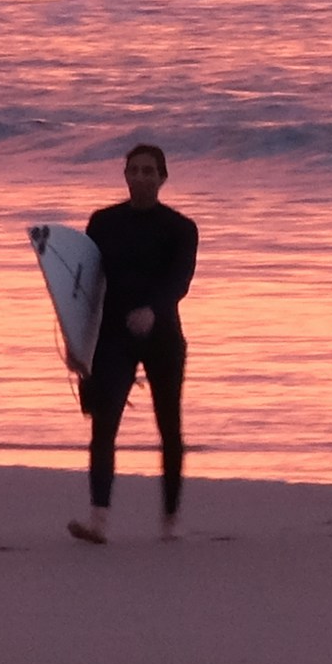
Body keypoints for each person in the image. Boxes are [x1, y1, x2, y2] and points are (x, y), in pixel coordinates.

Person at [67, 140, 201, 544]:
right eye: (134, 171)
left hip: (163, 336)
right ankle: (98, 521)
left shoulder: (181, 228)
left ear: (163, 178)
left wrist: (153, 310)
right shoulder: (103, 223)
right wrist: (77, 339)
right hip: (112, 336)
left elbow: (180, 281)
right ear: (125, 176)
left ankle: (170, 521)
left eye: (149, 171)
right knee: (104, 425)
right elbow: (86, 285)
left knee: (169, 427)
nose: (141, 177)